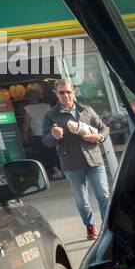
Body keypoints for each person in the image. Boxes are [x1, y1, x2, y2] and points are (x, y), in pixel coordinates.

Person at [43, 80, 110, 239]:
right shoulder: (51, 115)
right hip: (72, 164)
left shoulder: (86, 110)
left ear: (74, 92)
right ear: (56, 94)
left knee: (104, 195)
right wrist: (54, 135)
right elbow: (45, 141)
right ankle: (90, 225)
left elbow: (104, 128)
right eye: (61, 93)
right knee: (81, 201)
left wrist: (99, 137)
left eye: (68, 92)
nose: (65, 95)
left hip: (94, 160)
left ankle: (108, 227)